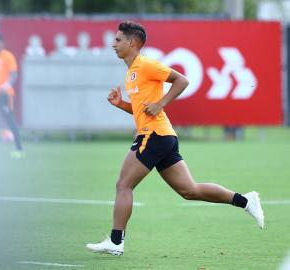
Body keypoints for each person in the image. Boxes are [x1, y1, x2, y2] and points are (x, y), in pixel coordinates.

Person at [86, 21, 264, 256]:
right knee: (189, 191)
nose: (113, 44)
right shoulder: (131, 73)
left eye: (118, 40)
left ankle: (116, 242)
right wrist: (121, 104)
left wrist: (161, 103)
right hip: (163, 136)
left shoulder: (147, 64)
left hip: (154, 135)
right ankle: (245, 200)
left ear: (132, 42)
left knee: (123, 185)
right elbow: (143, 110)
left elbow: (182, 80)